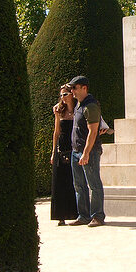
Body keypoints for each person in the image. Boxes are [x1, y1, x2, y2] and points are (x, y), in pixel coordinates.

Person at [67, 75, 106, 227]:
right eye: (71, 88)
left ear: (84, 88)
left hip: (88, 151)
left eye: (74, 88)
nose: (72, 91)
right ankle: (83, 215)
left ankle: (97, 216)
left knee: (94, 184)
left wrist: (86, 152)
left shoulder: (90, 106)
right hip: (76, 150)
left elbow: (93, 132)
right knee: (79, 185)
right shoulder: (79, 104)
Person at [49, 85, 78, 225]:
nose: (63, 97)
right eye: (61, 95)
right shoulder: (59, 111)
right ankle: (60, 216)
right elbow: (56, 132)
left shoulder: (79, 109)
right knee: (59, 182)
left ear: (72, 94)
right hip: (62, 149)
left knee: (74, 182)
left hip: (75, 148)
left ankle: (76, 213)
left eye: (65, 94)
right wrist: (53, 152)